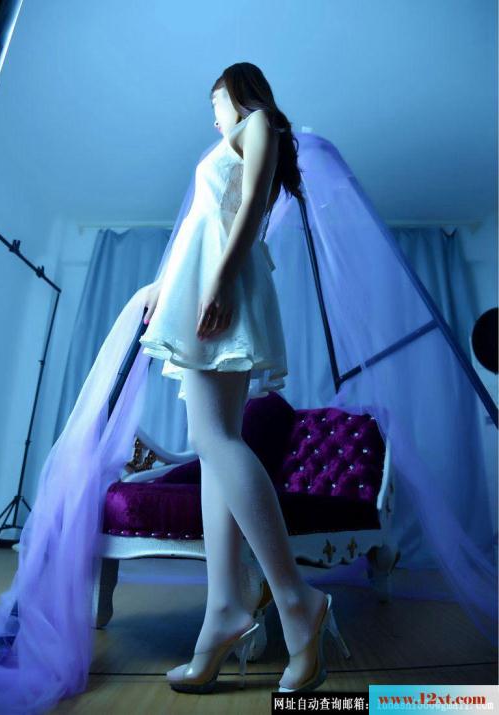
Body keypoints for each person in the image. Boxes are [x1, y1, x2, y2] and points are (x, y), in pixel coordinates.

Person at [138, 63, 349, 693]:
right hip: (204, 276)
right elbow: (206, 216)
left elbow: (252, 204)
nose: (213, 118)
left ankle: (292, 598)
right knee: (211, 443)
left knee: (213, 438)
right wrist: (166, 284)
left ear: (236, 93)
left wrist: (220, 281)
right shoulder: (235, 136)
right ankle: (225, 605)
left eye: (215, 104)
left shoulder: (258, 122)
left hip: (221, 278)